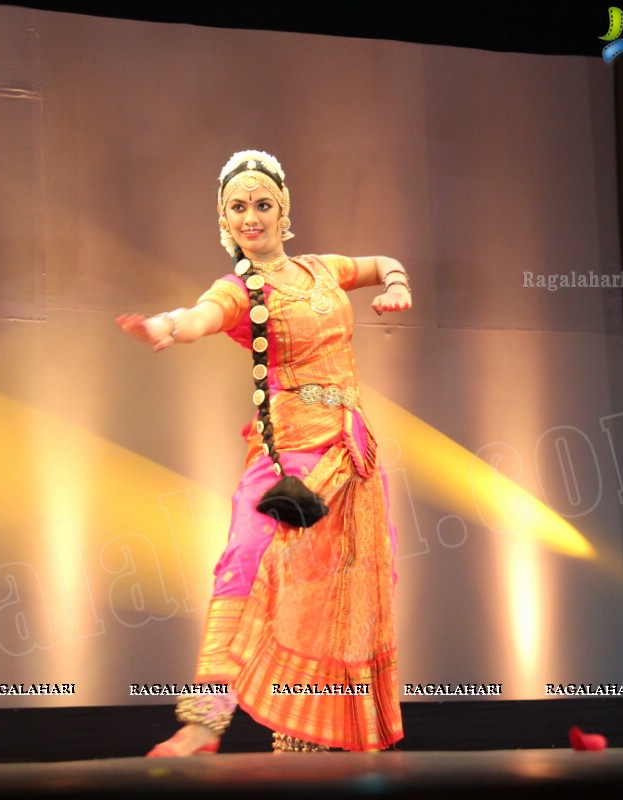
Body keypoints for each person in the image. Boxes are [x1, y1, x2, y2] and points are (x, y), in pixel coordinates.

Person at [116, 150, 411, 754]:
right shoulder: (235, 290)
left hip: (350, 451)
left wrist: (398, 285)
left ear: (283, 211)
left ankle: (305, 732)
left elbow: (382, 262)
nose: (251, 217)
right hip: (288, 454)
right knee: (245, 563)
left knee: (334, 586)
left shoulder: (321, 269)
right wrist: (167, 326)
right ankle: (205, 721)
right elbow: (201, 317)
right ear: (224, 221)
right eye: (237, 208)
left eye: (262, 205)